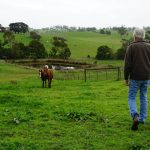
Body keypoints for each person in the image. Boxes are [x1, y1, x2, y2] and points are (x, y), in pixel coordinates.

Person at [124, 28, 150, 131]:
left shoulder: (131, 47)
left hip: (135, 77)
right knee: (143, 97)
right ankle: (142, 119)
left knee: (131, 97)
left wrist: (126, 78)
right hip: (147, 77)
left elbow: (127, 65)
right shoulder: (149, 46)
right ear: (143, 36)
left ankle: (135, 116)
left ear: (134, 36)